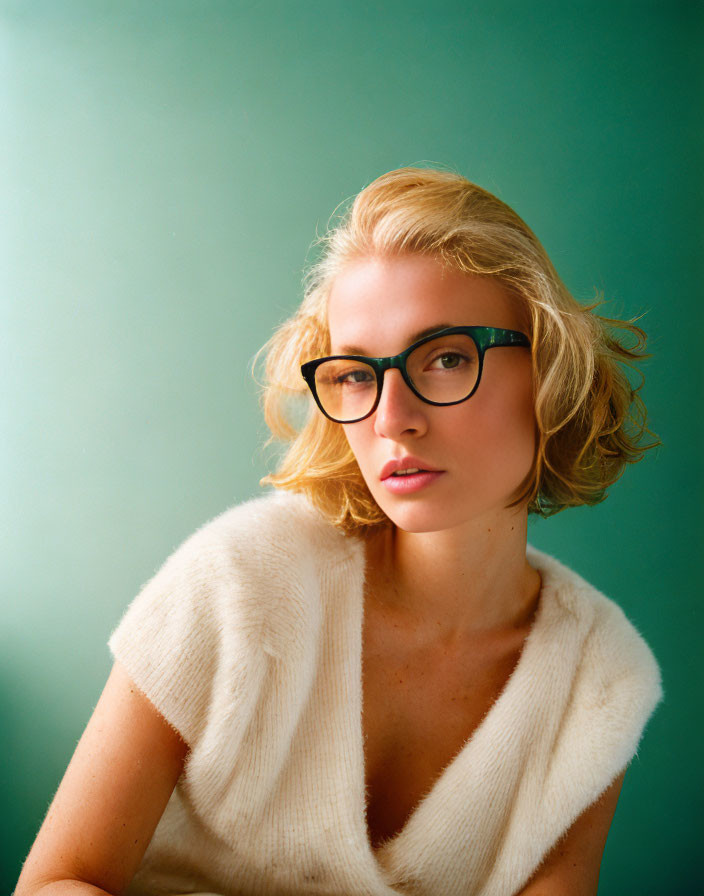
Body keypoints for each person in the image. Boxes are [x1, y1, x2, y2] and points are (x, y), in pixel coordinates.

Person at [15, 166, 663, 896]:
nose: (391, 418)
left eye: (446, 358)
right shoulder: (240, 581)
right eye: (357, 373)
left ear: (548, 365)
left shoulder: (598, 680)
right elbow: (56, 884)